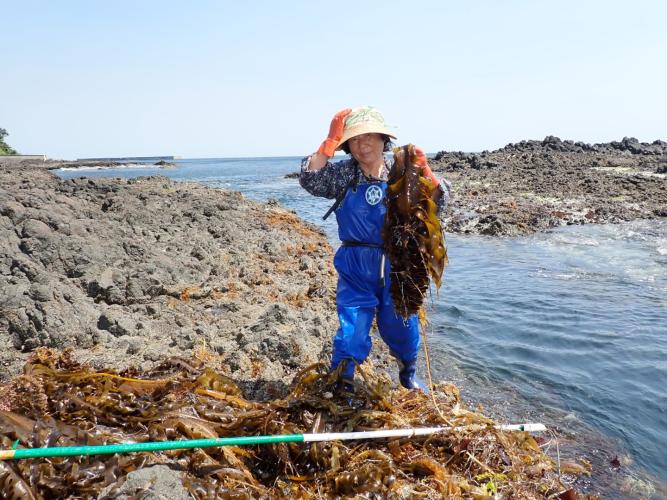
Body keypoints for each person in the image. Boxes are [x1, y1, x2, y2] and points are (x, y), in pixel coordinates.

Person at [299, 106, 451, 390]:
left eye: (370, 136)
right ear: (347, 145)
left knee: (403, 331)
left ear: (384, 139)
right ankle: (342, 384)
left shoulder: (401, 171)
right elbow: (310, 178)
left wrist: (426, 172)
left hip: (400, 265)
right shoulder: (344, 175)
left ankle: (408, 375)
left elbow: (439, 203)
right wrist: (329, 142)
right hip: (355, 266)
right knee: (352, 333)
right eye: (354, 139)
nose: (363, 144)